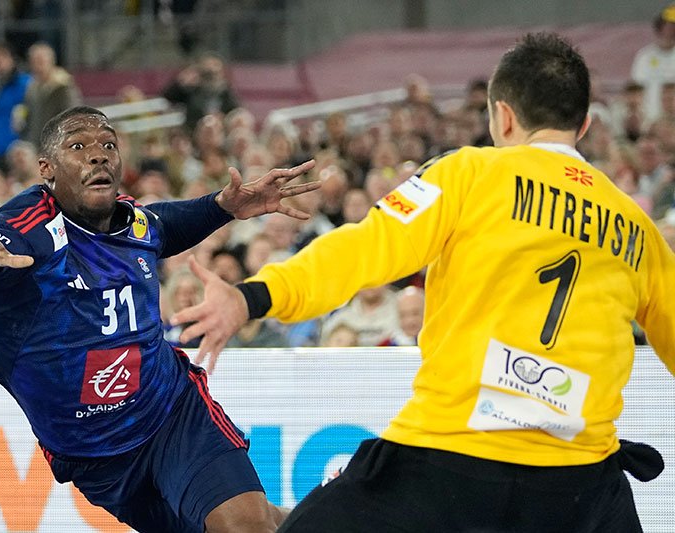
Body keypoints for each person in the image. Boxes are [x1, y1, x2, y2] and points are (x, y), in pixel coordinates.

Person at [170, 33, 675, 532]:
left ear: (502, 117)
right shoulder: (638, 227)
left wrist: (252, 296)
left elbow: (363, 250)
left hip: (452, 459)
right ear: (584, 124)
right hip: (581, 488)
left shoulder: (470, 174)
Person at [0, 105, 319, 533]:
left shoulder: (135, 222)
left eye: (108, 145)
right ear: (47, 169)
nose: (98, 154)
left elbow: (165, 225)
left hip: (173, 415)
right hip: (98, 461)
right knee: (251, 524)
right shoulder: (28, 228)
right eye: (78, 146)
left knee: (246, 526)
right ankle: (333, 515)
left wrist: (222, 206)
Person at [632, 3, 675, 123]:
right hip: (650, 119)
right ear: (660, 27)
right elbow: (637, 89)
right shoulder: (645, 57)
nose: (671, 31)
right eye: (668, 25)